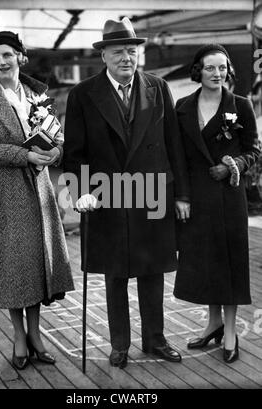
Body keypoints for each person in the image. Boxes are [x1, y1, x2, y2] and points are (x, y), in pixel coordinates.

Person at [63, 17, 190, 369]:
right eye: (118, 51)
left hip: (152, 193)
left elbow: (174, 145)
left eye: (132, 51)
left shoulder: (158, 88)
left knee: (152, 271)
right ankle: (119, 344)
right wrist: (80, 192)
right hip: (107, 196)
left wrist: (182, 195)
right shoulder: (82, 94)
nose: (126, 58)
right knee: (115, 273)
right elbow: (73, 154)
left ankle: (155, 341)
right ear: (103, 56)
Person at [0, 31, 74, 370]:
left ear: (20, 57)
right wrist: (24, 156)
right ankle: (18, 335)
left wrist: (56, 149)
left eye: (7, 55)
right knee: (14, 267)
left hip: (38, 190)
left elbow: (55, 132)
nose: (1, 61)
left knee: (36, 263)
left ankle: (35, 334)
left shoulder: (36, 91)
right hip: (3, 192)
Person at [173, 44, 261, 363]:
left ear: (228, 70)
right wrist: (180, 196)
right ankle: (213, 324)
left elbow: (254, 150)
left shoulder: (241, 105)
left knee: (230, 262)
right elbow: (178, 157)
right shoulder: (182, 107)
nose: (217, 73)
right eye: (210, 68)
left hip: (227, 197)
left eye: (222, 67)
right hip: (196, 198)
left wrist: (232, 165)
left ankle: (231, 331)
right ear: (198, 71)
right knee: (207, 262)